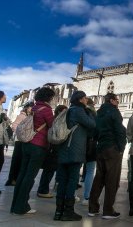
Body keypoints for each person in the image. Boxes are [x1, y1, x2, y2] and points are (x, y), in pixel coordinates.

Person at [10, 87, 55, 215]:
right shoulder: (46, 110)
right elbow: (52, 126)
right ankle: (22, 207)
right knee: (30, 177)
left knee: (22, 174)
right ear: (49, 98)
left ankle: (15, 205)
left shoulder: (34, 108)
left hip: (27, 144)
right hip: (38, 146)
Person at [54, 91, 96, 221]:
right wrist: (89, 111)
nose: (86, 100)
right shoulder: (79, 110)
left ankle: (58, 211)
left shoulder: (68, 110)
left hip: (64, 149)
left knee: (62, 181)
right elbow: (92, 124)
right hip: (74, 150)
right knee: (72, 180)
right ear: (80, 99)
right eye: (85, 98)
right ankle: (68, 212)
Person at [89, 93, 127, 219]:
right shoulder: (114, 112)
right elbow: (120, 131)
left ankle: (93, 208)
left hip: (101, 148)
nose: (118, 102)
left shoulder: (99, 113)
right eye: (117, 100)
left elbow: (94, 131)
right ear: (111, 100)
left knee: (99, 178)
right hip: (112, 148)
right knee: (112, 180)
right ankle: (108, 211)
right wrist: (121, 148)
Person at [36, 105, 68, 198]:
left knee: (51, 170)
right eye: (64, 111)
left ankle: (46, 189)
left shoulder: (55, 120)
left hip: (52, 148)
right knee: (49, 170)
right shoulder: (56, 121)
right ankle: (43, 190)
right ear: (59, 112)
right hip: (53, 149)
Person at [5, 101, 34, 186]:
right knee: (16, 161)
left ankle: (16, 178)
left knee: (21, 161)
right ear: (27, 108)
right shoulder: (22, 116)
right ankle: (12, 179)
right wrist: (21, 133)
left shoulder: (29, 116)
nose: (32, 109)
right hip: (19, 141)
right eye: (31, 107)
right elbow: (14, 125)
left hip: (24, 141)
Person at [81, 98, 97, 206]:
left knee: (75, 170)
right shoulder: (95, 115)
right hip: (91, 145)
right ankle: (87, 197)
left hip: (79, 144)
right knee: (90, 171)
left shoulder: (79, 112)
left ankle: (71, 195)